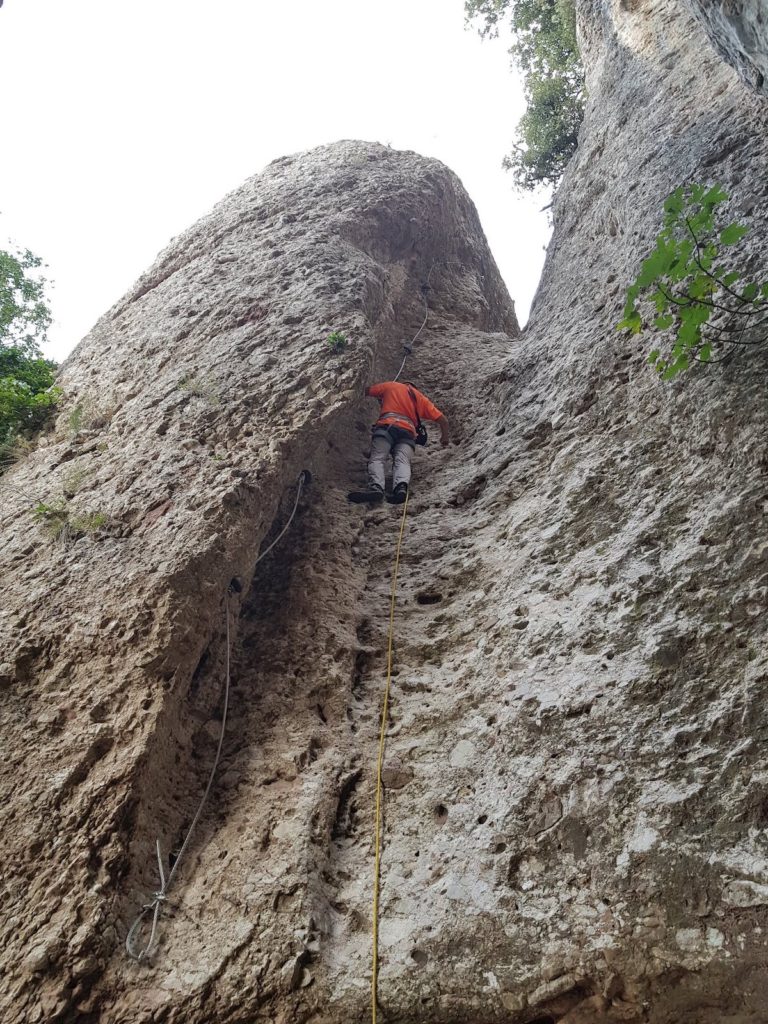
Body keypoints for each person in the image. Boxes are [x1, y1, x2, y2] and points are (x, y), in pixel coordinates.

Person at [349, 380, 450, 504]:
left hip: (387, 426)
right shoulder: (420, 398)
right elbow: (443, 420)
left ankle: (376, 487)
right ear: (414, 387)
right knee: (402, 460)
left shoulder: (391, 385)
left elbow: (366, 391)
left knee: (378, 458)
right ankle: (401, 488)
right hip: (408, 432)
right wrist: (444, 438)